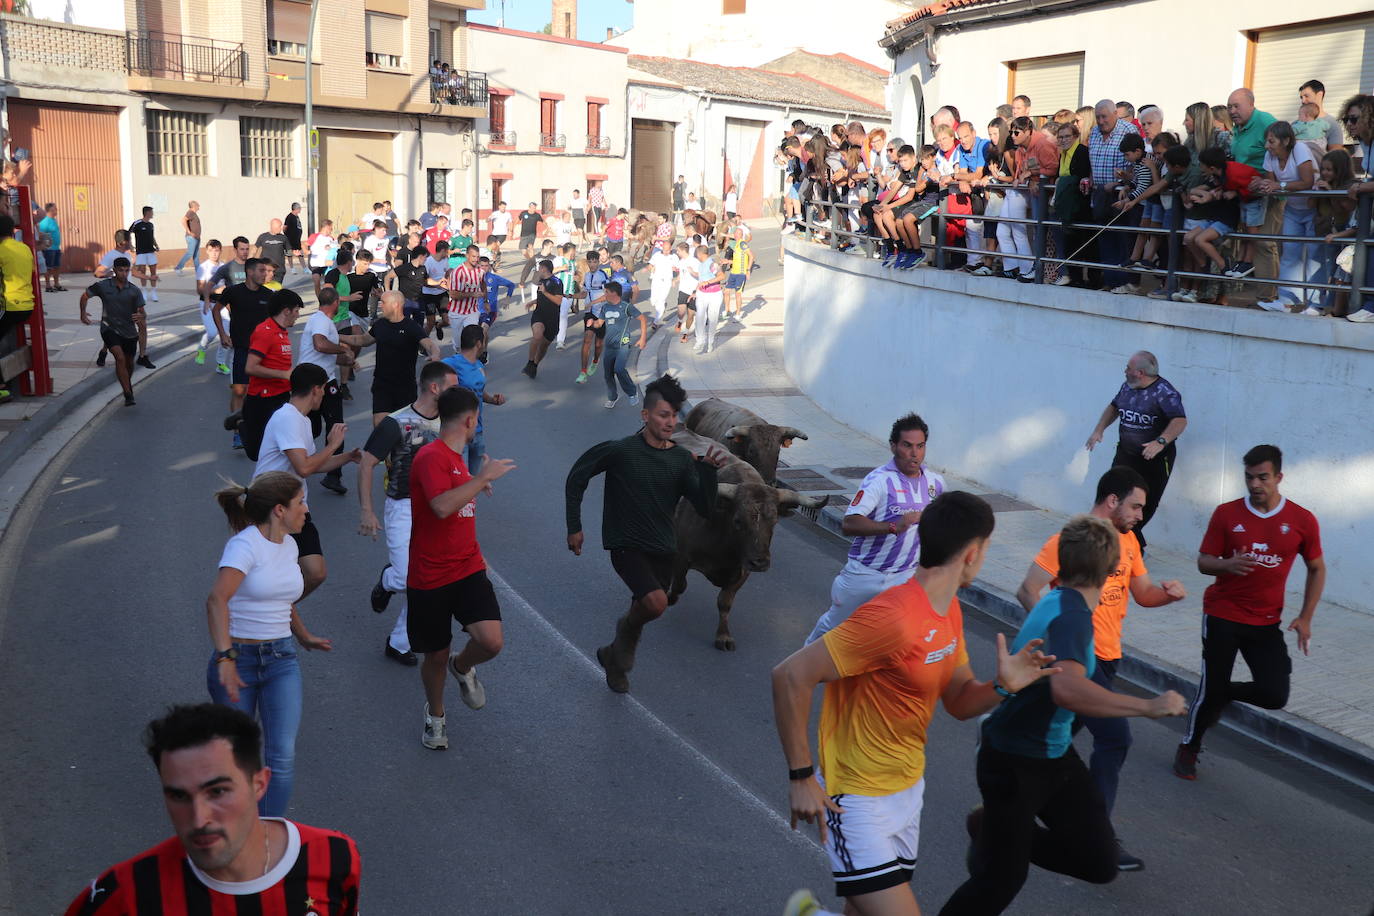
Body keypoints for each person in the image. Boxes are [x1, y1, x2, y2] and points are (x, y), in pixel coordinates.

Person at [774, 492, 1060, 916]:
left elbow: (960, 703)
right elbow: (790, 675)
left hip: (906, 794)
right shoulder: (893, 616)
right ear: (973, 552)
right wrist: (800, 777)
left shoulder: (948, 612)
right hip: (856, 799)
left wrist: (1003, 685)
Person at [940, 515, 1186, 916]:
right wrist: (1147, 706)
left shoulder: (1057, 599)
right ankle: (1000, 835)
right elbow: (1067, 689)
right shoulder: (1071, 616)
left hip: (1052, 756)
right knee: (1001, 879)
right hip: (1013, 760)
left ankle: (991, 829)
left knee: (1099, 861)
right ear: (1111, 571)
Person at [1015, 467, 1187, 869]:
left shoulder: (1128, 542)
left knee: (1052, 743)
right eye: (1135, 505)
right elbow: (1028, 589)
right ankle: (1097, 834)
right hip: (1080, 660)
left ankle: (1014, 805)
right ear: (1112, 500)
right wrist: (1062, 637)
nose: (1140, 515)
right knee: (1115, 739)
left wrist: (1167, 596)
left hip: (1109, 660)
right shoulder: (1071, 540)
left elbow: (1141, 593)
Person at [62, 703, 360, 915]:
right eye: (178, 796)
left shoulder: (333, 856)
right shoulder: (126, 895)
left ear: (259, 784)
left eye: (217, 791)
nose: (198, 818)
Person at [565, 375, 727, 693]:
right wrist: (574, 526)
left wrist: (707, 473)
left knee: (649, 604)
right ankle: (622, 653)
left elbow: (706, 509)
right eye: (664, 414)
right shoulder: (622, 451)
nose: (671, 422)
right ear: (645, 415)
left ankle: (614, 654)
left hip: (664, 548)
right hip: (626, 545)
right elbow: (577, 477)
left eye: (674, 415)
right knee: (655, 603)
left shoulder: (682, 459)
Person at [1175, 444, 1324, 780]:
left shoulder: (1302, 520)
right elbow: (1203, 562)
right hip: (1223, 614)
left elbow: (1317, 568)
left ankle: (1222, 692)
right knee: (1209, 689)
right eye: (1249, 477)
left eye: (1263, 477)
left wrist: (1306, 617)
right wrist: (1227, 564)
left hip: (1266, 622)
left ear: (1279, 477)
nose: (1255, 484)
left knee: (1274, 694)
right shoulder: (1227, 514)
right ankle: (1189, 745)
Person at [206, 472, 336, 817]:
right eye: (300, 503)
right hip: (240, 659)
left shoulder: (290, 545)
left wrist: (303, 635)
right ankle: (232, 827)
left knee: (282, 756)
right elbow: (217, 600)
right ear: (279, 510)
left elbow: (281, 599)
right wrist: (225, 657)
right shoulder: (244, 545)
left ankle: (267, 833)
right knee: (237, 757)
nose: (306, 510)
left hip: (281, 660)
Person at [408, 386, 516, 749]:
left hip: (467, 568)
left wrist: (474, 481)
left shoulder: (458, 459)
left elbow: (457, 498)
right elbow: (440, 506)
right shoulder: (431, 456)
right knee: (434, 653)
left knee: (491, 641)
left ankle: (462, 666)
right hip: (430, 576)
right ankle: (435, 717)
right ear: (471, 420)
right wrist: (482, 480)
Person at [806, 413, 944, 644]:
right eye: (907, 446)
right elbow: (849, 524)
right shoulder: (878, 481)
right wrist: (893, 527)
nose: (914, 453)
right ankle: (799, 672)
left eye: (920, 446)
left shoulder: (936, 483)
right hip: (866, 575)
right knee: (833, 632)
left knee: (901, 638)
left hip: (905, 577)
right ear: (893, 446)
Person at [359, 361, 458, 668]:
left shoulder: (450, 421)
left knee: (425, 581)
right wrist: (367, 510)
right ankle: (389, 579)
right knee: (405, 576)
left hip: (436, 508)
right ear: (434, 388)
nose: (457, 393)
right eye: (452, 388)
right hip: (402, 506)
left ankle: (398, 643)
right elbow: (366, 463)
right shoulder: (395, 423)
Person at [1084, 350, 1185, 548]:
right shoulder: (1128, 387)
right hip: (1126, 454)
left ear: (1139, 372)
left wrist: (1160, 442)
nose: (1125, 371)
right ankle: (1115, 542)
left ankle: (1133, 546)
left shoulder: (1165, 392)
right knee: (1112, 495)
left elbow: (1180, 420)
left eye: (1128, 368)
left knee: (1143, 504)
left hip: (1154, 459)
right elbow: (1114, 407)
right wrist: (1099, 430)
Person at [297, 286, 371, 495]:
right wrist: (344, 348)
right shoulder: (321, 321)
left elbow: (325, 353)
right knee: (334, 426)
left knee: (312, 428)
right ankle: (330, 473)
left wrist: (347, 360)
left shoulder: (321, 321)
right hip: (318, 383)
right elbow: (320, 345)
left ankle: (323, 471)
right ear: (336, 303)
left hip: (316, 380)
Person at [1255, 120, 1319, 312]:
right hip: (1292, 207)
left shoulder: (1299, 150)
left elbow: (1307, 181)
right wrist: (1263, 184)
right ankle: (1286, 301)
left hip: (1313, 208)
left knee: (1314, 256)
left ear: (1286, 140)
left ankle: (1316, 304)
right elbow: (1271, 182)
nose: (1267, 146)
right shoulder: (1270, 155)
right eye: (1267, 141)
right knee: (1289, 253)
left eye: (1271, 141)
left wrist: (1278, 186)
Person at [1226, 88, 1280, 299]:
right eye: (1229, 106)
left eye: (1236, 106)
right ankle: (1263, 296)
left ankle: (1268, 297)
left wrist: (1271, 181)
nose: (1231, 111)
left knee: (1264, 244)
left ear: (1251, 104)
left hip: (1269, 194)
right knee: (1251, 241)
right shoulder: (1239, 127)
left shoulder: (1266, 121)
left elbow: (1284, 149)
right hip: (1246, 193)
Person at [239, 290, 303, 463]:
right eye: (296, 310)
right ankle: (242, 423)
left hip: (281, 396)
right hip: (263, 399)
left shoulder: (282, 332)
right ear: (286, 311)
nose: (298, 315)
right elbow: (250, 367)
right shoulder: (265, 332)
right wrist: (284, 374)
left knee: (278, 450)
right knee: (256, 453)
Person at [360, 290, 441, 425]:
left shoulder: (411, 326)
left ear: (396, 305)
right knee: (380, 426)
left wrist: (435, 355)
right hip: (382, 384)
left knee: (405, 429)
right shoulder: (380, 324)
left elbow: (430, 345)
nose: (381, 306)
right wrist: (337, 337)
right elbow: (362, 340)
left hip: (405, 387)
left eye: (384, 303)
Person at [215, 256, 272, 450]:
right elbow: (216, 310)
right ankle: (238, 432)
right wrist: (222, 334)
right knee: (240, 391)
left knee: (262, 393)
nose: (265, 274)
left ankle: (259, 430)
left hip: (263, 353)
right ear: (250, 272)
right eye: (261, 271)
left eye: (266, 271)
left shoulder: (269, 295)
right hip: (240, 349)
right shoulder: (233, 292)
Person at [78, 256, 145, 406]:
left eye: (127, 270)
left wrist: (141, 315)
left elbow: (143, 313)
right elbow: (85, 296)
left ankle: (127, 384)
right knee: (120, 358)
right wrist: (82, 313)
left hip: (129, 331)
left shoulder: (134, 291)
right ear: (114, 270)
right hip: (109, 328)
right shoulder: (103, 286)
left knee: (129, 363)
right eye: (121, 270)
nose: (124, 274)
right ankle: (128, 394)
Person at [442, 324, 506, 472]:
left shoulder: (478, 364)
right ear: (479, 343)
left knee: (473, 481)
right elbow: (432, 378)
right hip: (458, 433)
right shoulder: (452, 363)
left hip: (477, 431)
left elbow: (478, 390)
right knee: (460, 481)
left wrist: (492, 400)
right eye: (484, 341)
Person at [1087, 100, 1136, 290]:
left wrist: (1119, 183)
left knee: (1122, 238)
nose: (1100, 121)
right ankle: (1110, 281)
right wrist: (1090, 178)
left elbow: (1136, 166)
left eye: (1104, 116)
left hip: (1121, 193)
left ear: (1115, 113)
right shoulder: (1094, 132)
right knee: (1104, 238)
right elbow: (1093, 159)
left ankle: (1124, 282)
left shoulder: (1128, 130)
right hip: (1099, 193)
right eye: (1097, 117)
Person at [0, 213, 38, 405]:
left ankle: (1, 389)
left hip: (10, 306)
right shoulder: (24, 248)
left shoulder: (1, 250)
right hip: (27, 305)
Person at [591, 280, 646, 408]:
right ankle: (612, 397)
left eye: (606, 292)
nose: (604, 294)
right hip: (609, 346)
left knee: (619, 369)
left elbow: (642, 319)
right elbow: (599, 323)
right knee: (608, 374)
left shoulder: (627, 307)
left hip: (623, 344)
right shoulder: (605, 307)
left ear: (614, 293)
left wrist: (642, 338)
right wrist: (592, 324)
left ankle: (632, 393)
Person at [194, 239, 231, 374]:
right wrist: (215, 290)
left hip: (221, 304)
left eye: (217, 250)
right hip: (206, 303)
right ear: (207, 251)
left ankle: (221, 364)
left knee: (226, 334)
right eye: (211, 250)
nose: (214, 253)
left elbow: (228, 287)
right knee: (212, 332)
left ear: (220, 251)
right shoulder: (203, 267)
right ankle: (202, 348)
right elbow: (199, 290)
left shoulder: (225, 267)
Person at [521, 259, 562, 379]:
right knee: (537, 336)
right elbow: (542, 298)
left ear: (544, 268)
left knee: (544, 346)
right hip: (539, 314)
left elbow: (558, 301)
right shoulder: (541, 281)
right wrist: (532, 302)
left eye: (539, 268)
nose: (538, 270)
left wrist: (544, 292)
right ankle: (530, 361)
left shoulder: (557, 282)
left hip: (552, 318)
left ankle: (534, 365)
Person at [691, 246, 727, 355]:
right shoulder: (701, 265)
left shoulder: (711, 264)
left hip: (714, 295)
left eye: (696, 254)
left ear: (700, 254)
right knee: (700, 317)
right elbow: (701, 280)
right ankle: (700, 341)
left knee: (712, 319)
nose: (696, 256)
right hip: (702, 294)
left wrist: (708, 282)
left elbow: (722, 276)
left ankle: (710, 342)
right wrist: (694, 292)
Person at [1297, 79, 1347, 152]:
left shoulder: (1331, 124)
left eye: (1306, 96)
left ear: (1319, 95)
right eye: (1301, 97)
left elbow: (1336, 154)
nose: (1303, 101)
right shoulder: (1297, 124)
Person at [129, 205, 161, 301]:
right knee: (142, 272)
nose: (153, 214)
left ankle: (154, 292)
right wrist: (130, 245)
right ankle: (144, 292)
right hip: (141, 252)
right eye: (151, 212)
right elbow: (128, 233)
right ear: (147, 213)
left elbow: (152, 237)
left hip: (151, 252)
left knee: (153, 272)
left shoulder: (151, 225)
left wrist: (156, 245)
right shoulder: (137, 223)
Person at [36, 202, 63, 292]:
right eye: (54, 209)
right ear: (49, 210)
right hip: (49, 249)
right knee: (49, 268)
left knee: (57, 266)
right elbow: (41, 234)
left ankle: (56, 284)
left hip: (56, 248)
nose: (56, 211)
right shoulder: (45, 221)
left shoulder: (54, 220)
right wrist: (45, 246)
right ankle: (48, 286)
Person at [174, 200, 201, 276]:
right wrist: (189, 232)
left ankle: (198, 271)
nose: (199, 206)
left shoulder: (194, 214)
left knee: (196, 255)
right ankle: (178, 268)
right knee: (190, 253)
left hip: (196, 238)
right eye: (198, 205)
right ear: (194, 206)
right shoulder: (190, 212)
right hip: (191, 238)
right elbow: (183, 220)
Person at [283, 202, 304, 273]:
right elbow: (285, 227)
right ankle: (292, 268)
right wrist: (287, 235)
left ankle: (305, 268)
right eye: (299, 208)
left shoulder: (296, 216)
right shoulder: (290, 217)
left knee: (300, 253)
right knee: (289, 254)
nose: (300, 210)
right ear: (296, 209)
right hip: (290, 239)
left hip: (297, 239)